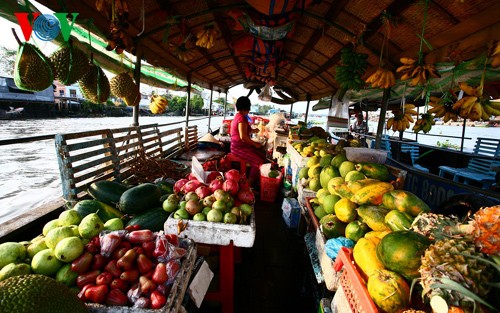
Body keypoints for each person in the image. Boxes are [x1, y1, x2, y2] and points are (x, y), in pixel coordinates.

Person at [230, 96, 267, 186]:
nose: (249, 110)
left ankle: (257, 179)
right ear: (245, 108)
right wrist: (255, 144)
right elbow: (243, 137)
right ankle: (248, 185)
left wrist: (254, 130)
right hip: (238, 148)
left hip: (242, 146)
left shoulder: (240, 116)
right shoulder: (241, 118)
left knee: (262, 156)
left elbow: (245, 131)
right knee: (259, 163)